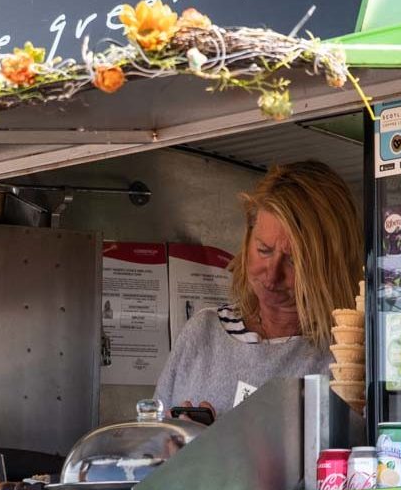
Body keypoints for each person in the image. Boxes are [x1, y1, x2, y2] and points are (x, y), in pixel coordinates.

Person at [154, 160, 362, 417]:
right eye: (264, 250)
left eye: (294, 260)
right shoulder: (202, 334)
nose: (271, 275)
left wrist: (213, 449)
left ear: (330, 265)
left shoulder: (344, 357)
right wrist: (180, 446)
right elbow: (150, 446)